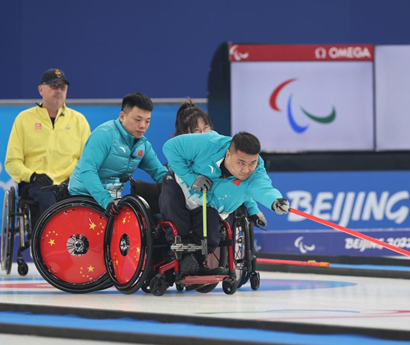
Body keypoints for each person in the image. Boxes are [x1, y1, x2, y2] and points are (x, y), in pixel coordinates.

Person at [159, 131, 289, 275]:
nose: (246, 169)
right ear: (228, 154)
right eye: (241, 162)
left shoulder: (256, 170)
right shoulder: (208, 143)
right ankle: (179, 256)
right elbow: (170, 147)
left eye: (252, 163)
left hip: (206, 203)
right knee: (177, 217)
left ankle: (195, 263)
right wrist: (191, 178)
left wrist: (275, 201)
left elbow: (262, 187)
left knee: (210, 236)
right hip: (180, 185)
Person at [4, 68, 91, 223]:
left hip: (69, 182)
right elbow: (12, 162)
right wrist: (33, 176)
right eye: (54, 86)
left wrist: (73, 179)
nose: (59, 90)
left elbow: (87, 160)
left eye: (62, 87)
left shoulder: (79, 120)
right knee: (47, 198)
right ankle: (53, 237)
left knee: (87, 196)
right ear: (41, 90)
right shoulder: (24, 119)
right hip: (36, 183)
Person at [172, 98, 268, 229]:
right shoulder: (177, 164)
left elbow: (239, 184)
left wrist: (253, 209)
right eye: (197, 131)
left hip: (215, 212)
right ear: (184, 135)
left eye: (206, 128)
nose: (203, 134)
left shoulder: (217, 152)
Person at [68, 92, 167, 214]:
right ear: (122, 116)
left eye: (147, 121)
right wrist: (106, 201)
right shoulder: (104, 135)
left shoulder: (143, 145)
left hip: (112, 201)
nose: (143, 126)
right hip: (83, 197)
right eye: (138, 119)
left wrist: (181, 186)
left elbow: (160, 173)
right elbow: (87, 171)